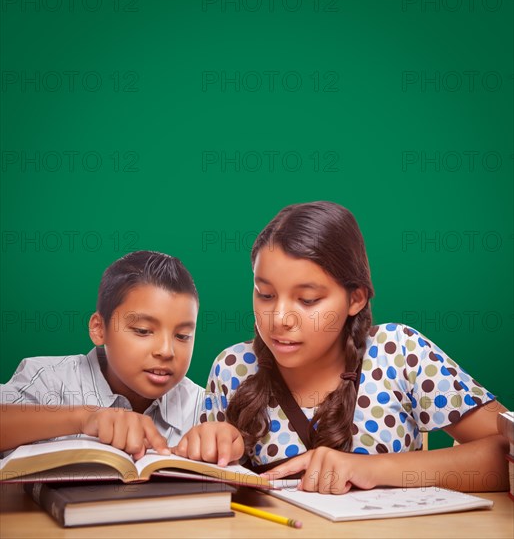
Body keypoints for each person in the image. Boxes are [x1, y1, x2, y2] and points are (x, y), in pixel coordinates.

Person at [174, 201, 510, 494]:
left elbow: (508, 452)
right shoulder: (232, 369)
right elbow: (208, 490)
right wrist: (206, 447)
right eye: (265, 294)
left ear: (355, 298)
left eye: (307, 300)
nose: (279, 319)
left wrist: (368, 469)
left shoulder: (399, 351)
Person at [0, 250, 241, 464]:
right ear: (99, 328)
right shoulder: (48, 379)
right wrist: (85, 418)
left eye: (182, 335)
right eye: (143, 331)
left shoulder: (202, 406)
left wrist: (226, 444)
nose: (166, 351)